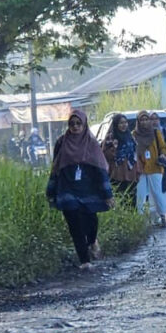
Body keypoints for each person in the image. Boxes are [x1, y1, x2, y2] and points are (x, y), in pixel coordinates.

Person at [47, 109, 115, 269]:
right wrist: (50, 191)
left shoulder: (91, 144)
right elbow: (55, 168)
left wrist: (107, 194)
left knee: (91, 222)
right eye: (72, 124)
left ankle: (92, 241)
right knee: (75, 224)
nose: (75, 127)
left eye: (78, 124)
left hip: (88, 190)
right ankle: (84, 260)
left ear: (84, 125)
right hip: (67, 189)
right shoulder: (61, 142)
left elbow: (100, 170)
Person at [134, 109, 166, 227]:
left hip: (155, 167)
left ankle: (162, 217)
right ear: (138, 121)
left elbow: (163, 147)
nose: (145, 122)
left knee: (157, 193)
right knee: (140, 195)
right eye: (142, 120)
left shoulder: (156, 133)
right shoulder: (134, 135)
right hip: (141, 168)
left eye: (146, 119)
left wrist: (163, 155)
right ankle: (141, 221)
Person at [101, 113, 141, 207]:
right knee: (120, 201)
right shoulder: (110, 138)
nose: (124, 125)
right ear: (115, 124)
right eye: (121, 123)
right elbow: (104, 156)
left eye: (125, 122)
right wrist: (113, 148)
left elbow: (135, 154)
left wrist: (137, 171)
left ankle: (131, 221)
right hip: (117, 174)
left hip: (131, 174)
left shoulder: (130, 137)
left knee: (131, 202)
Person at [149, 111, 166, 193]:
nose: (154, 121)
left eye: (156, 119)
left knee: (164, 189)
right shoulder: (145, 134)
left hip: (163, 163)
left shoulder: (164, 132)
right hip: (152, 166)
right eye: (152, 119)